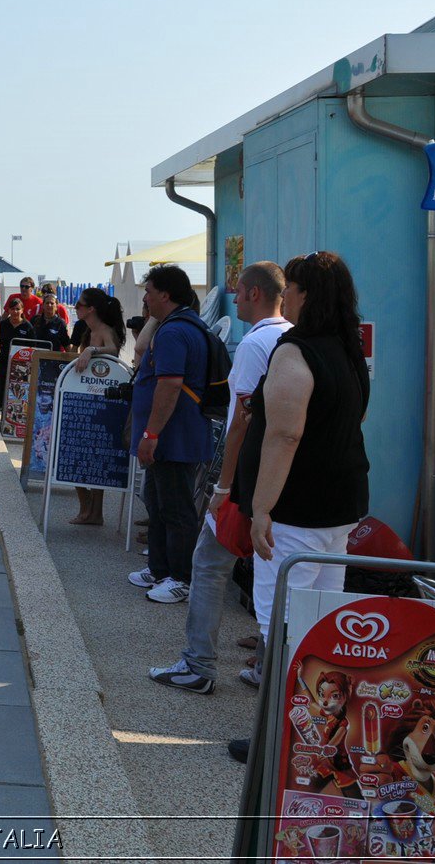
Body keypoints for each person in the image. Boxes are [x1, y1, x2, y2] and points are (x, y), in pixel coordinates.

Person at [226, 252, 370, 760]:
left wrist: (261, 508)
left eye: (292, 289)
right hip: (339, 507)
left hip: (298, 512)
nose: (284, 295)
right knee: (321, 628)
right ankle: (317, 738)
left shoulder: (298, 351)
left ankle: (278, 743)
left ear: (306, 295)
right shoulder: (346, 350)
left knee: (283, 629)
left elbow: (285, 435)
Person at [147, 262, 290, 693]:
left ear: (255, 294)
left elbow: (241, 419)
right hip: (279, 478)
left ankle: (199, 666)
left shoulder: (254, 343)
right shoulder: (291, 338)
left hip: (246, 479)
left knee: (209, 564)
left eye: (240, 291)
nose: (235, 296)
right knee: (274, 577)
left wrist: (223, 487)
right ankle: (268, 668)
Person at [126, 265, 211, 605]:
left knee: (176, 509)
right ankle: (160, 569)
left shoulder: (175, 332)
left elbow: (171, 385)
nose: (144, 298)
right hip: (167, 436)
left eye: (148, 291)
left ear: (164, 294)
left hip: (173, 436)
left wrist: (151, 433)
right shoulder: (172, 326)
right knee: (159, 503)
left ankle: (181, 578)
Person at [66, 287, 129, 526]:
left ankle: (93, 511)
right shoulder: (85, 330)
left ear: (91, 309)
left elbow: (112, 350)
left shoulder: (104, 331)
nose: (76, 307)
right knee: (78, 453)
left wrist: (92, 350)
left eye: (80, 305)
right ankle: (87, 508)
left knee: (97, 457)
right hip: (85, 397)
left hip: (103, 399)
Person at [30, 286, 71, 351]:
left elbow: (67, 346)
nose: (49, 305)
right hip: (35, 357)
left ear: (56, 307)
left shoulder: (60, 323)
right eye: (47, 303)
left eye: (52, 303)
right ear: (43, 305)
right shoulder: (35, 320)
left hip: (52, 358)